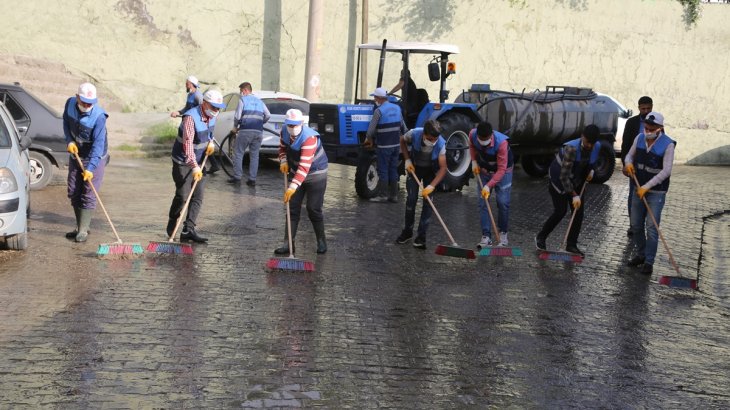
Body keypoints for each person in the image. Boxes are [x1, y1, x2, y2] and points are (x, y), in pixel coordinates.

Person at [165, 89, 225, 243]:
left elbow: (209, 133)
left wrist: (210, 142)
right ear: (204, 103)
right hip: (183, 162)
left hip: (200, 161)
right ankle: (173, 222)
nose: (216, 111)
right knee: (183, 196)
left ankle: (188, 230)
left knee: (198, 196)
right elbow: (187, 145)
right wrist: (194, 166)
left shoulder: (212, 116)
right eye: (214, 107)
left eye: (218, 108)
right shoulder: (190, 118)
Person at [535, 125, 601, 256]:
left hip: (576, 180)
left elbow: (590, 163)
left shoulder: (596, 146)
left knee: (578, 212)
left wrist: (591, 171)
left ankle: (571, 245)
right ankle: (541, 237)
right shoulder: (571, 149)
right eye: (588, 142)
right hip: (559, 181)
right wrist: (574, 195)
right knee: (560, 211)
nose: (590, 146)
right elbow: (564, 176)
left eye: (592, 143)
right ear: (583, 136)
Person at [624, 112, 675, 275]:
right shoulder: (639, 138)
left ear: (659, 128)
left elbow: (666, 171)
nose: (648, 131)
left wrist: (647, 186)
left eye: (651, 128)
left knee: (652, 228)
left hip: (656, 192)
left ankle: (649, 261)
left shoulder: (668, 145)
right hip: (638, 188)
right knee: (636, 224)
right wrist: (628, 164)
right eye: (646, 127)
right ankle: (640, 254)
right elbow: (629, 156)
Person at [274, 109, 329, 255]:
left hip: (316, 174)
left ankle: (321, 241)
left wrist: (292, 187)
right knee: (291, 209)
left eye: (295, 125)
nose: (292, 128)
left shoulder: (309, 138)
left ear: (301, 123)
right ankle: (288, 244)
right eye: (290, 125)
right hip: (294, 172)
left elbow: (304, 167)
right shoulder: (284, 132)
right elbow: (282, 149)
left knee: (313, 208)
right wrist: (283, 161)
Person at [63, 82, 109, 242]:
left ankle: (83, 229)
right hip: (76, 152)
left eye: (91, 103)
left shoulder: (99, 117)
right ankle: (79, 226)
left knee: (88, 192)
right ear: (77, 98)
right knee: (73, 190)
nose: (87, 105)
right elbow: (65, 122)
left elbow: (98, 145)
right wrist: (69, 140)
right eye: (84, 102)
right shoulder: (69, 104)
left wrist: (90, 168)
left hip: (94, 156)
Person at [395, 119, 448, 249]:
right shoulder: (414, 134)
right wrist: (407, 159)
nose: (433, 142)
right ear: (424, 134)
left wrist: (432, 186)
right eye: (430, 139)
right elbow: (402, 140)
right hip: (415, 169)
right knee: (411, 200)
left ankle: (421, 237)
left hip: (431, 171)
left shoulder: (441, 144)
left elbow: (443, 168)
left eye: (435, 139)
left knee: (428, 203)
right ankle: (407, 232)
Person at [469, 121, 514, 248]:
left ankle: (503, 235)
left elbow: (501, 170)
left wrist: (488, 186)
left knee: (502, 202)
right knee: (483, 202)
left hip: (504, 172)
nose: (483, 142)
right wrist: (473, 161)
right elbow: (472, 145)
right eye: (481, 139)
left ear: (491, 135)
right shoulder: (472, 134)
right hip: (483, 170)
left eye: (486, 139)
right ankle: (486, 236)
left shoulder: (502, 143)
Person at [170, 75, 221, 175]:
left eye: (187, 83)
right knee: (195, 144)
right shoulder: (190, 95)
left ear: (191, 84)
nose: (185, 84)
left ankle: (213, 164)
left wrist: (210, 141)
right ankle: (212, 164)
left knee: (200, 143)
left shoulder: (198, 96)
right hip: (189, 123)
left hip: (197, 124)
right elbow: (187, 108)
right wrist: (179, 113)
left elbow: (203, 111)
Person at [364, 87, 408, 203]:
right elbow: (404, 128)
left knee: (383, 170)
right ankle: (394, 196)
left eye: (375, 97)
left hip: (384, 146)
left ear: (379, 98)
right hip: (396, 146)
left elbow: (370, 131)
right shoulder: (397, 108)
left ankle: (383, 195)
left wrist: (369, 140)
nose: (374, 99)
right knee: (393, 169)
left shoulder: (379, 111)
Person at [621, 96, 653, 237]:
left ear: (652, 107)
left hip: (650, 166)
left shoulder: (656, 121)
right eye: (643, 108)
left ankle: (644, 224)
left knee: (647, 193)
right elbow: (625, 144)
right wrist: (625, 164)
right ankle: (633, 225)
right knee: (633, 194)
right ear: (639, 107)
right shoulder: (632, 122)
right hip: (633, 165)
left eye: (648, 108)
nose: (646, 111)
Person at [227, 82, 270, 186]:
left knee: (239, 153)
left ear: (245, 90)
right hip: (258, 132)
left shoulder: (243, 100)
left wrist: (235, 127)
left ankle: (237, 177)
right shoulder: (260, 101)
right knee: (254, 156)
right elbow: (268, 114)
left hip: (245, 131)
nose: (240, 93)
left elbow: (237, 116)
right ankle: (252, 180)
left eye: (241, 91)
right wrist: (260, 123)